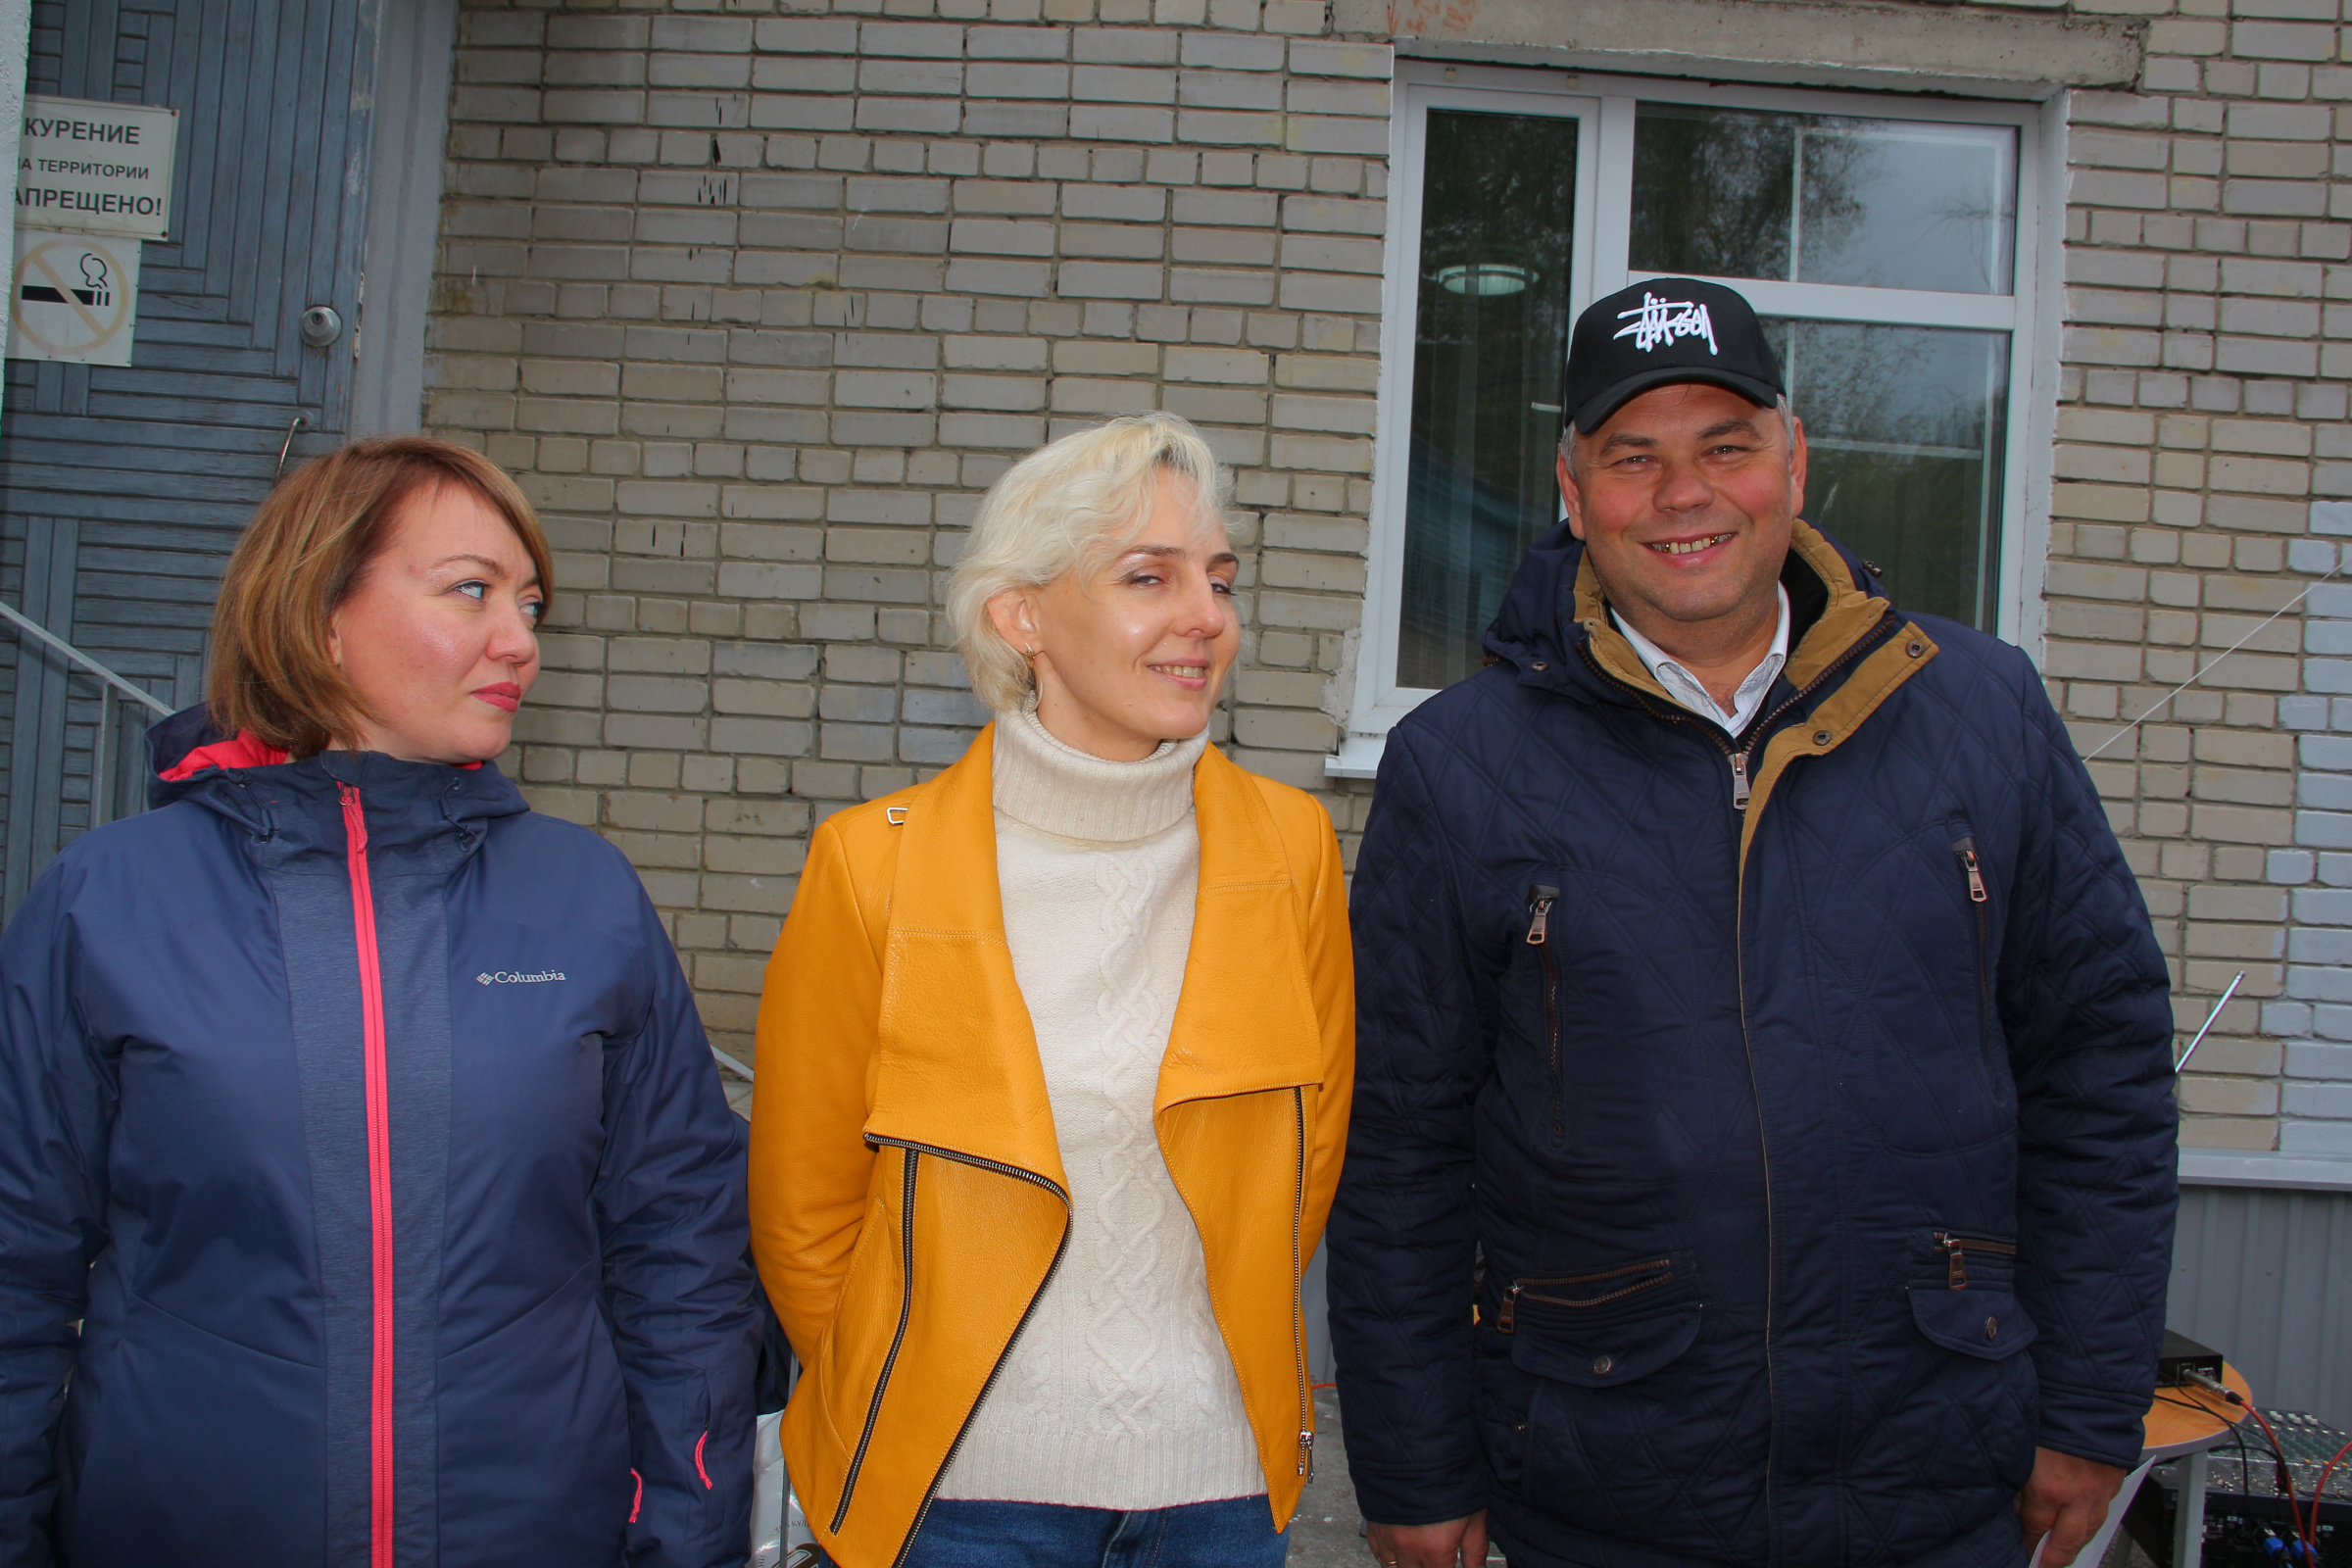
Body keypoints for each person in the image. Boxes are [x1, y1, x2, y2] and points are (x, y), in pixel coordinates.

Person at [1329, 279, 2178, 1568]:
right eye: (1635, 457)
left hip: (1939, 1474)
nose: (1686, 495)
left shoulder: (1984, 713)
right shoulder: (1462, 766)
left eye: (1726, 446)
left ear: (1795, 463)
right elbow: (1400, 1146)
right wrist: (1415, 1465)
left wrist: (2089, 1403)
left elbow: (2102, 1074)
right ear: (1573, 492)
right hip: (1605, 1488)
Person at [0, 438, 760, 1567]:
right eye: (471, 590)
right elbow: (17, 1264)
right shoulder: (106, 900)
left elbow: (680, 1254)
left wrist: (687, 1533)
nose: (521, 641)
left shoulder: (584, 896)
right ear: (321, 615)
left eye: (530, 605)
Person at [750, 412, 1353, 1568]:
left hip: (1219, 1493)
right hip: (957, 1501)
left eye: (1220, 578)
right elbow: (803, 1206)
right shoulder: (871, 866)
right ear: (1020, 615)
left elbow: (1302, 1165)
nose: (1206, 616)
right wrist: (909, 1391)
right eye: (1149, 576)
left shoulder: (1292, 851)